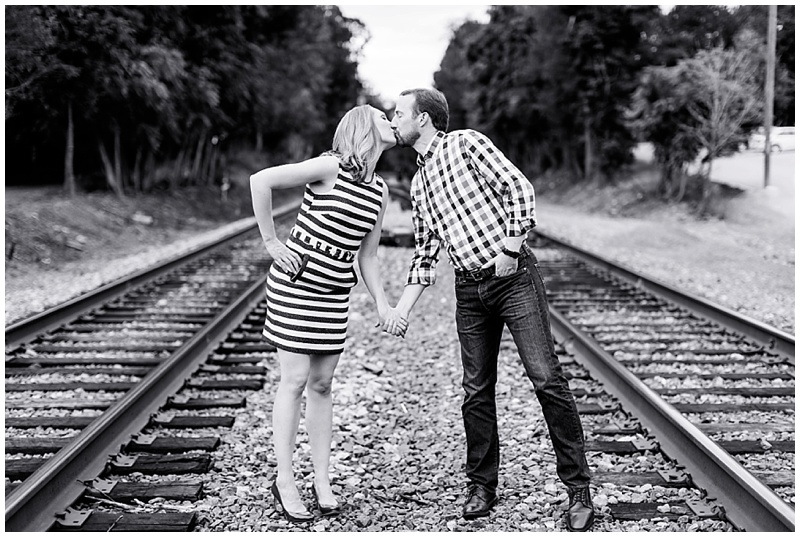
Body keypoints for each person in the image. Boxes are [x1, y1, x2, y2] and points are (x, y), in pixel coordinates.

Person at [389, 88, 594, 531]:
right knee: (475, 390)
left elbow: (520, 188)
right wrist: (400, 309)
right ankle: (481, 486)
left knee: (546, 378)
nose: (393, 119)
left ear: (423, 119)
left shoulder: (466, 143)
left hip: (512, 277)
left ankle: (578, 490)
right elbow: (425, 253)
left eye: (399, 112)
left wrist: (510, 248)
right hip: (468, 289)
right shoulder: (419, 184)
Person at [250, 105, 408, 523]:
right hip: (295, 285)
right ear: (362, 126)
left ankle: (321, 479)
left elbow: (369, 256)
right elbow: (260, 180)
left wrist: (382, 302)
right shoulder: (327, 167)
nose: (391, 121)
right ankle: (285, 479)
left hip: (334, 295)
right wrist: (271, 242)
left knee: (322, 385)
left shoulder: (379, 190)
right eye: (382, 116)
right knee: (295, 380)